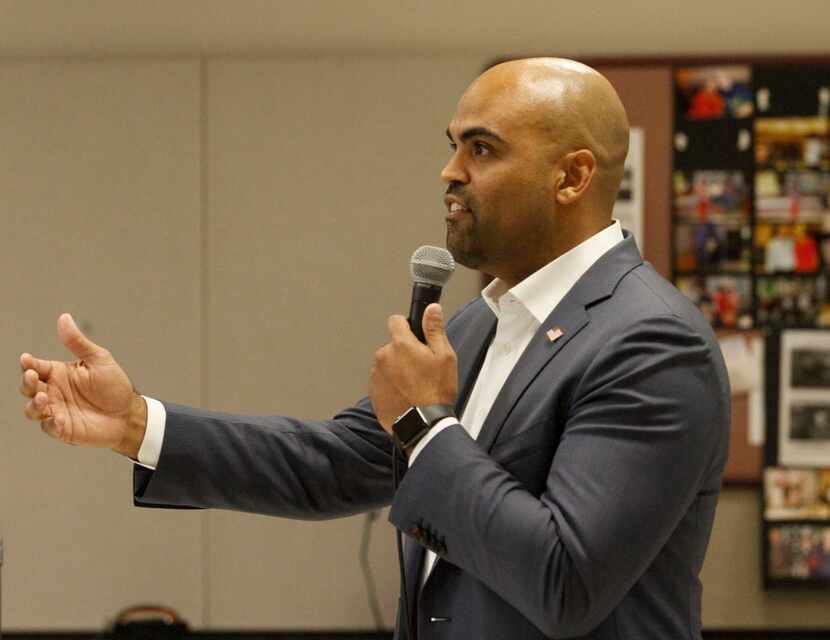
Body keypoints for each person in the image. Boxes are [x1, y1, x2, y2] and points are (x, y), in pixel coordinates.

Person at [18, 58, 730, 639]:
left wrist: (424, 426)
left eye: (480, 148)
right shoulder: (484, 324)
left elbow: (565, 580)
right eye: (451, 144)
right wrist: (139, 425)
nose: (449, 172)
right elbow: (335, 463)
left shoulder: (651, 341)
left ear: (572, 177)